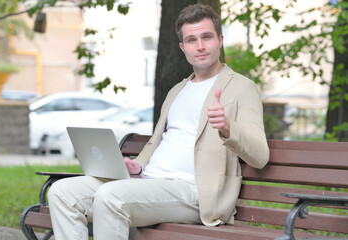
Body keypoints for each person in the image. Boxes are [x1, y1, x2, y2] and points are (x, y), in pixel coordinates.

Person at [47, 4, 269, 240]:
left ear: (220, 40)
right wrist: (139, 165)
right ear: (183, 47)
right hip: (150, 181)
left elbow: (260, 155)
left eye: (207, 37)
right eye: (192, 40)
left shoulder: (242, 88)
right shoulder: (178, 90)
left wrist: (227, 127)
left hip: (195, 191)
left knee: (110, 196)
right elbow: (157, 142)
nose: (200, 46)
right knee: (62, 192)